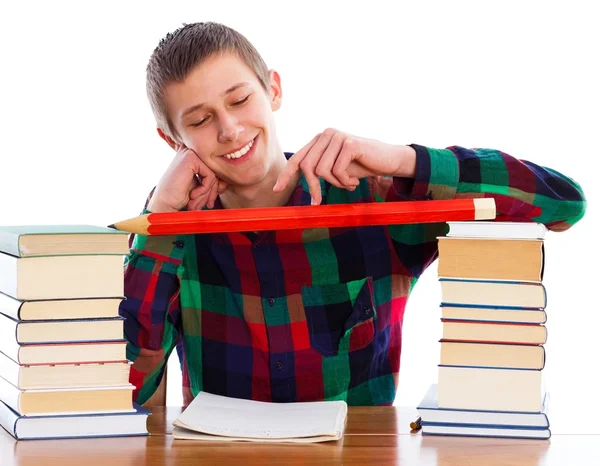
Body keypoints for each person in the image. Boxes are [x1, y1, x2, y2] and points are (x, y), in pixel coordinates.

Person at [119, 22, 586, 407]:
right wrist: (160, 220)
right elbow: (130, 390)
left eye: (240, 100)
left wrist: (405, 160)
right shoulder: (162, 236)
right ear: (172, 140)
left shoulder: (373, 200)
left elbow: (564, 203)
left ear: (273, 89)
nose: (230, 129)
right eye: (200, 121)